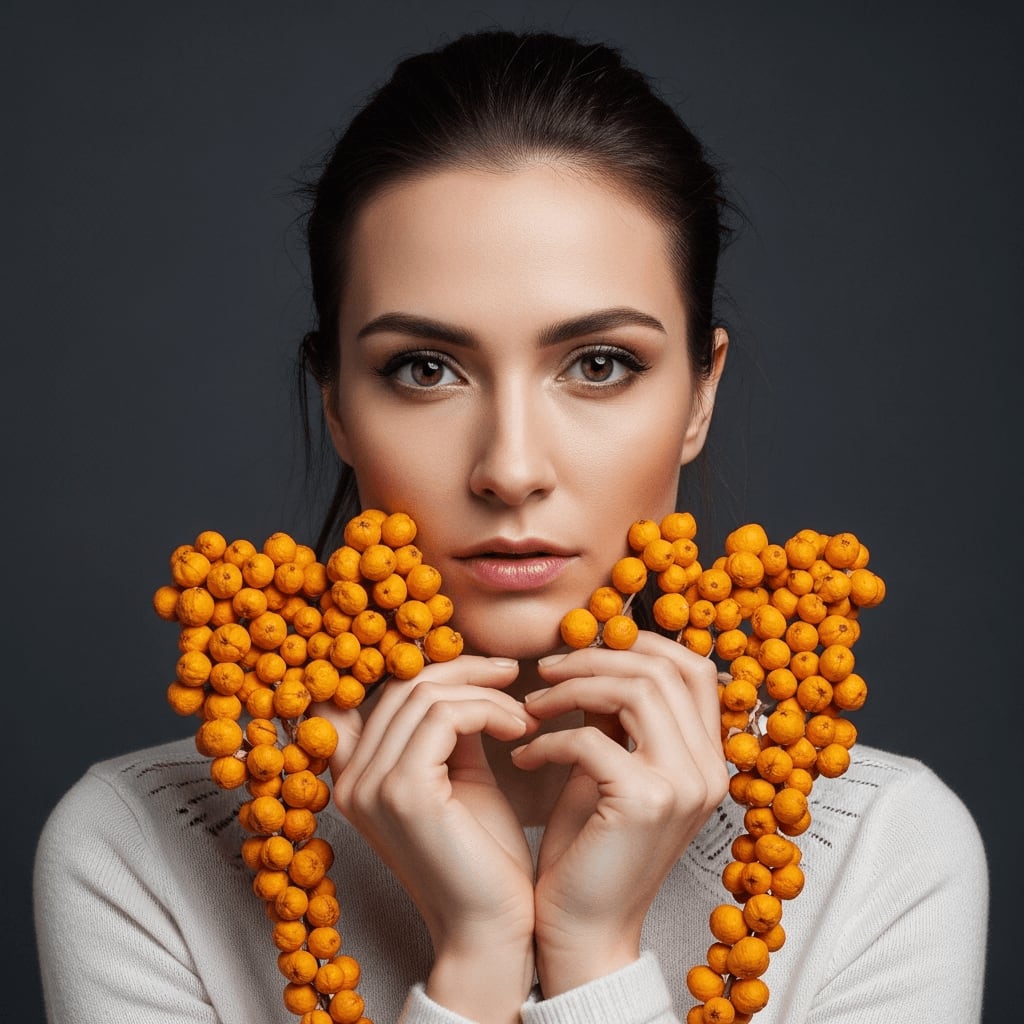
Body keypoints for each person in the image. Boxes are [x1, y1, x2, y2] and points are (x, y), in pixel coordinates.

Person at [34, 29, 987, 1024]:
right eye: (425, 368)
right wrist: (476, 958)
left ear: (699, 396)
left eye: (600, 363)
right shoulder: (140, 849)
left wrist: (592, 952)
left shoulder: (879, 851)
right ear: (337, 405)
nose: (511, 468)